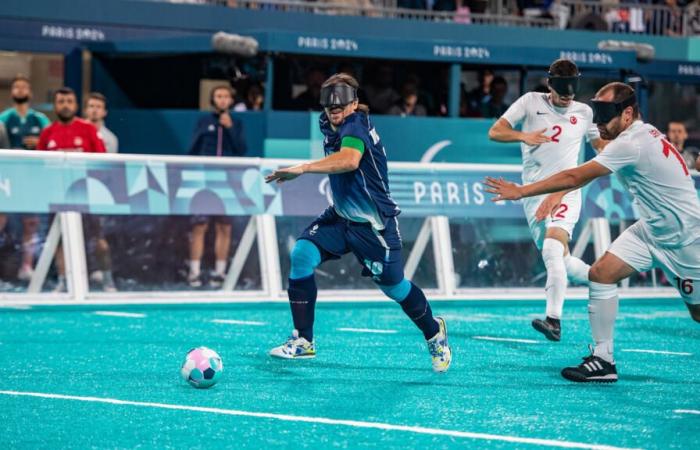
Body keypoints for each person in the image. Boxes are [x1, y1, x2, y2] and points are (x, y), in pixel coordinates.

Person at [485, 82, 700, 383]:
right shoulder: (635, 136)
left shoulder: (631, 143)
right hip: (651, 230)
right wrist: (561, 192)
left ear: (627, 114)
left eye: (604, 114)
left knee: (697, 314)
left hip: (686, 240)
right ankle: (603, 359)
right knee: (601, 273)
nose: (597, 122)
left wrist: (521, 191)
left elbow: (576, 174)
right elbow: (584, 175)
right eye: (595, 112)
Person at [264, 73, 451, 372]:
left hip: (373, 224)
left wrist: (302, 168)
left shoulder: (356, 124)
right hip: (340, 216)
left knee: (394, 287)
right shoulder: (328, 123)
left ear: (353, 103)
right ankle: (303, 340)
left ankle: (433, 332)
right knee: (301, 255)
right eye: (329, 107)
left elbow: (350, 160)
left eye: (340, 107)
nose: (334, 112)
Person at [488, 59, 607, 342]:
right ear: (550, 84)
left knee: (553, 249)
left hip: (567, 191)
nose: (567, 96)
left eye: (573, 89)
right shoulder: (530, 102)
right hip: (534, 193)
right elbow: (495, 131)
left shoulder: (585, 112)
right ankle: (602, 278)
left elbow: (600, 149)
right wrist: (523, 135)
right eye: (562, 89)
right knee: (560, 261)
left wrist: (615, 146)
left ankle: (553, 320)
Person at [37, 87, 107, 292]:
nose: (65, 105)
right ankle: (63, 279)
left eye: (69, 101)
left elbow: (102, 161)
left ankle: (102, 277)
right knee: (58, 239)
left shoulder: (88, 130)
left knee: (95, 237)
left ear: (76, 105)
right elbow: (39, 165)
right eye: (61, 101)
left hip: (86, 196)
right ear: (56, 105)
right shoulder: (47, 133)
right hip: (56, 196)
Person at [187, 85, 247, 288]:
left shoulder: (236, 123)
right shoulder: (204, 121)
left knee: (224, 226)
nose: (222, 100)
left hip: (227, 182)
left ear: (231, 100)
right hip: (204, 180)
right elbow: (193, 149)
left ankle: (219, 273)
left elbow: (241, 149)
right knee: (199, 225)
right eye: (218, 96)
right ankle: (194, 272)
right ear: (213, 100)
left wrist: (229, 127)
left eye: (226, 96)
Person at [0, 75, 51, 282]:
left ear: (30, 92)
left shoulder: (40, 119)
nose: (20, 90)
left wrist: (39, 142)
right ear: (12, 93)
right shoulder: (4, 119)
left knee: (31, 223)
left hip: (31, 178)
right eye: (16, 87)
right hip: (7, 179)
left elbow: (50, 140)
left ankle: (27, 266)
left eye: (24, 87)